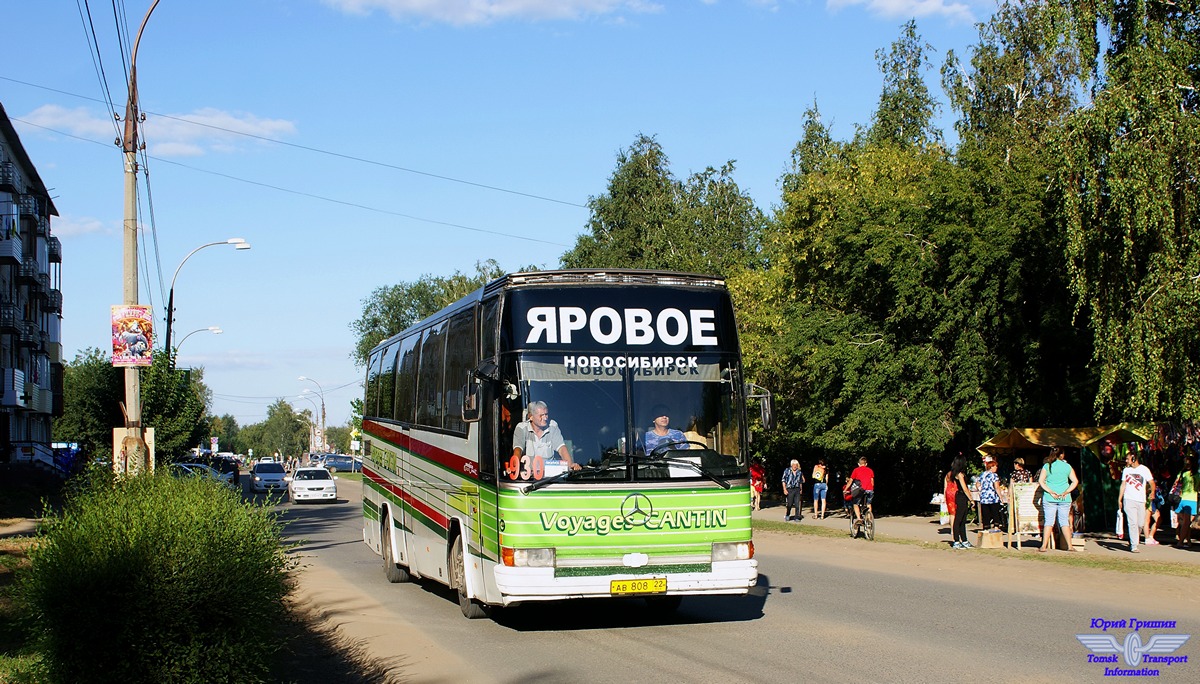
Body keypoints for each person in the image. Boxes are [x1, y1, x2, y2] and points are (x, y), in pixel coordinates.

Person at [508, 401, 580, 480]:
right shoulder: (521, 428)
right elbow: (518, 450)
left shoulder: (552, 425)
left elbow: (562, 448)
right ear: (530, 417)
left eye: (546, 414)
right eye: (541, 415)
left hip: (550, 479)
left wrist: (570, 466)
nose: (545, 418)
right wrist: (514, 468)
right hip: (528, 479)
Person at [1038, 447, 1079, 552]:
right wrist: (1067, 491)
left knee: (1049, 522)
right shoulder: (1067, 466)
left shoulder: (1047, 466)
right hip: (1064, 498)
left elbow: (1041, 481)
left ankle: (1043, 546)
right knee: (1064, 522)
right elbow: (1075, 481)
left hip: (1049, 497)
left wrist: (1050, 491)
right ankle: (1070, 546)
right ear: (1062, 455)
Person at [1117, 450, 1154, 553]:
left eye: (1128, 459)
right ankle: (1134, 545)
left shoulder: (1144, 470)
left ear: (1134, 459)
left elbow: (1151, 482)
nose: (1126, 461)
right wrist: (1120, 498)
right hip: (1129, 499)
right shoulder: (1126, 470)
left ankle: (1134, 538)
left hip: (1141, 500)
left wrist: (1152, 492)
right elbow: (1123, 485)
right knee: (1132, 522)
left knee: (1140, 523)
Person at [1173, 453, 1198, 548]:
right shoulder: (1195, 474)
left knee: (1184, 521)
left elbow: (1176, 483)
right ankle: (1182, 541)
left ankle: (1186, 541)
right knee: (1186, 522)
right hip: (1190, 499)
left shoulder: (1182, 473)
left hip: (1183, 498)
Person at [949, 457, 972, 548]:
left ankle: (964, 539)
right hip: (961, 496)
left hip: (961, 497)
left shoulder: (959, 474)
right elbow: (964, 488)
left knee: (963, 520)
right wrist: (971, 499)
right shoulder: (959, 475)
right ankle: (956, 540)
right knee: (958, 519)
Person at [977, 459, 1002, 532]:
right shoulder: (994, 475)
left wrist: (980, 490)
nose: (996, 468)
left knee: (985, 513)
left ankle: (986, 527)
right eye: (995, 466)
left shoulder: (982, 474)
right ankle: (996, 526)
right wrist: (1000, 496)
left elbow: (978, 484)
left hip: (984, 497)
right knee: (995, 512)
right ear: (991, 467)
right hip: (992, 497)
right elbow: (996, 487)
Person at [849, 457, 874, 524]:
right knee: (868, 504)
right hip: (869, 489)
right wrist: (871, 488)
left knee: (855, 504)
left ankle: (859, 518)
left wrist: (846, 489)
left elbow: (851, 481)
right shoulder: (870, 470)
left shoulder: (856, 470)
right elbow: (872, 481)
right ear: (866, 464)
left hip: (860, 490)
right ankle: (869, 519)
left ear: (858, 464)